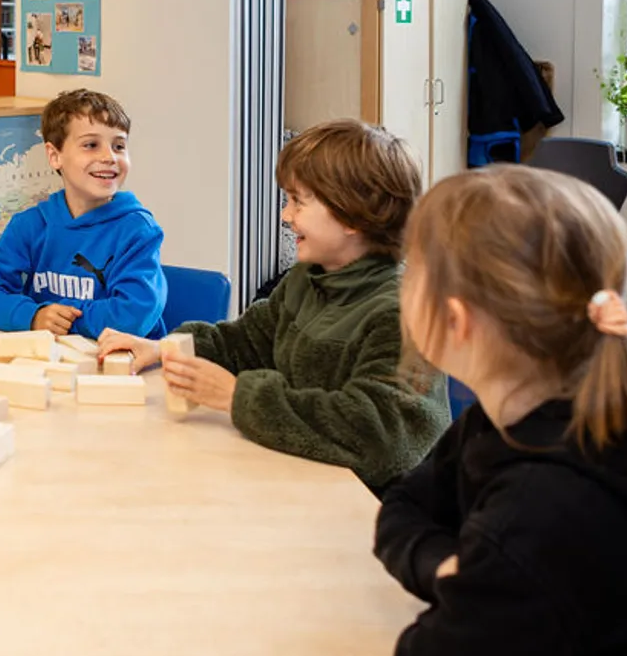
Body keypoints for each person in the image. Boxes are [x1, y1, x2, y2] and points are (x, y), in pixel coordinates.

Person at [374, 164, 627, 656]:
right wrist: (450, 568)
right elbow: (405, 504)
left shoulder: (540, 512)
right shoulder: (515, 419)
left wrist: (479, 579)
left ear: (456, 319)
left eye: (412, 270)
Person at [98, 118, 448, 490]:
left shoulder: (404, 312)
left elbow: (381, 439)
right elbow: (247, 342)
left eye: (298, 201)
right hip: (305, 481)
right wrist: (163, 348)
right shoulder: (307, 278)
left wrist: (237, 396)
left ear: (352, 215)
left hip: (379, 509)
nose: (285, 215)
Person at [0, 89, 166, 339]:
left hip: (123, 360)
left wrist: (63, 321)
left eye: (119, 146)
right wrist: (33, 316)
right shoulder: (29, 226)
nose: (109, 157)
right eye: (91, 145)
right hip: (52, 358)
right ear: (55, 156)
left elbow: (134, 315)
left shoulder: (138, 231)